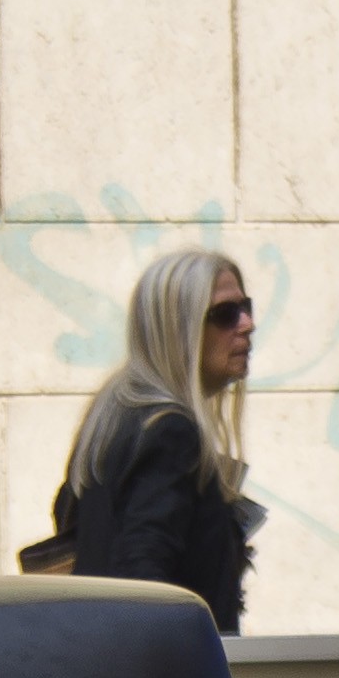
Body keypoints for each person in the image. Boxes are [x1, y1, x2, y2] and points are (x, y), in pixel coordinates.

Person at [57, 250, 261, 627]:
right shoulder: (171, 433)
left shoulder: (113, 418)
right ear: (178, 328)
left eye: (246, 307)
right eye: (225, 314)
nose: (247, 324)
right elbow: (143, 581)